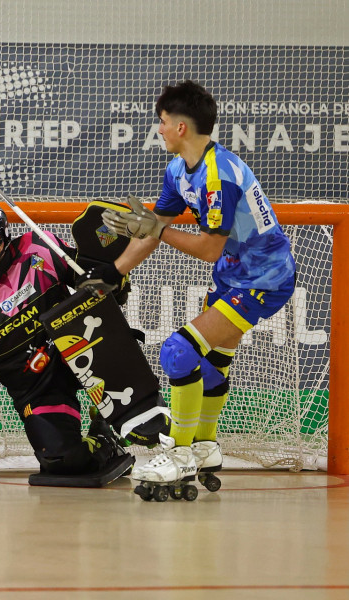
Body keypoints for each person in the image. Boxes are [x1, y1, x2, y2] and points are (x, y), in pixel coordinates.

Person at [84, 80, 297, 488]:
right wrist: (116, 271)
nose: (159, 129)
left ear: (181, 127)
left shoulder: (220, 176)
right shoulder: (177, 169)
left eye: (163, 122)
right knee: (211, 364)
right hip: (234, 277)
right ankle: (205, 446)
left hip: (264, 279)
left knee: (178, 351)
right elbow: (153, 228)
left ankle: (179, 454)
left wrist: (157, 229)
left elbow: (209, 248)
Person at [0, 201, 131, 486]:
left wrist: (111, 277)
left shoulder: (38, 248)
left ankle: (111, 410)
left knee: (144, 421)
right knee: (61, 462)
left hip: (83, 353)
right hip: (38, 390)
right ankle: (102, 436)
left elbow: (91, 281)